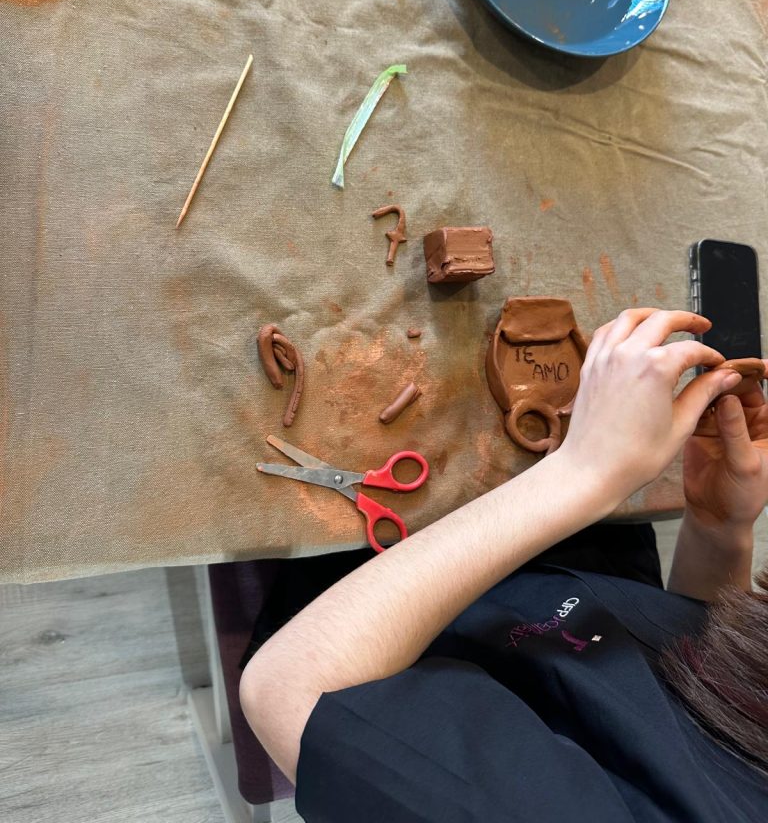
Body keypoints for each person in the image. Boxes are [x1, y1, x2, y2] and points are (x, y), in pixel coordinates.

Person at [239, 308, 768, 821]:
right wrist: (719, 529)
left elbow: (288, 689)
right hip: (586, 564)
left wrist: (585, 473)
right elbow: (706, 692)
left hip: (363, 624)